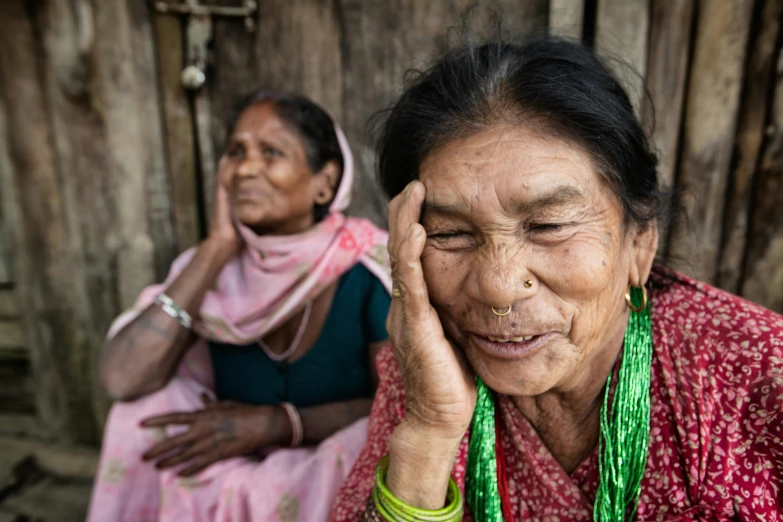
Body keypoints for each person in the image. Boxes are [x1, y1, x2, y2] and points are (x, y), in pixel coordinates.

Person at [329, 35, 783, 522]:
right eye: (451, 233)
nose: (498, 286)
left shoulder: (759, 375)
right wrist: (429, 431)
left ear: (640, 243)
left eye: (548, 226)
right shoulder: (429, 363)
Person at [87, 90, 392, 522]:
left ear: (325, 182)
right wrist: (217, 248)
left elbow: (403, 406)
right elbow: (123, 379)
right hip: (226, 463)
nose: (246, 168)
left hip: (328, 465)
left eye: (271, 152)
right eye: (236, 152)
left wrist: (275, 423)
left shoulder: (368, 269)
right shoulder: (207, 270)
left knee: (375, 438)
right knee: (141, 410)